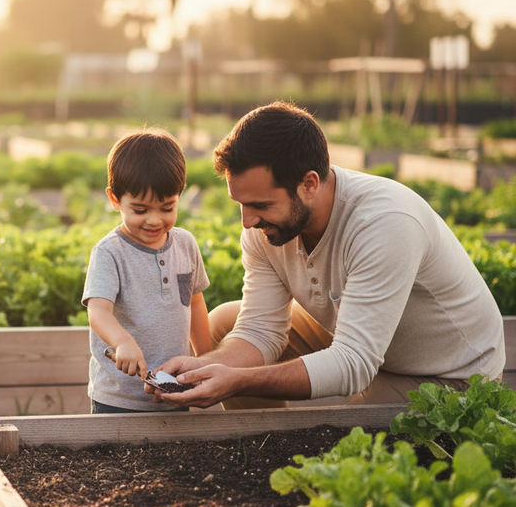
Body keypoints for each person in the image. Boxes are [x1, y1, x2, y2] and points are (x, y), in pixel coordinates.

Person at [148, 100, 506, 410]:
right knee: (225, 322)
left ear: (309, 184)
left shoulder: (385, 222)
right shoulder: (266, 226)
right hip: (361, 341)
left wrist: (239, 380)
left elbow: (354, 363)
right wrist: (205, 370)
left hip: (447, 374)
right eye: (240, 203)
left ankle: (291, 451)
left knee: (341, 437)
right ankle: (267, 440)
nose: (247, 221)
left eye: (260, 205)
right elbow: (261, 329)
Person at [83, 128, 211, 413]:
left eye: (167, 207)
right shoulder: (109, 252)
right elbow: (98, 311)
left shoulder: (186, 244)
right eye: (140, 210)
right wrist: (123, 342)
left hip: (174, 388)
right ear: (115, 200)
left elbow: (195, 301)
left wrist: (205, 358)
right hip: (118, 399)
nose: (154, 220)